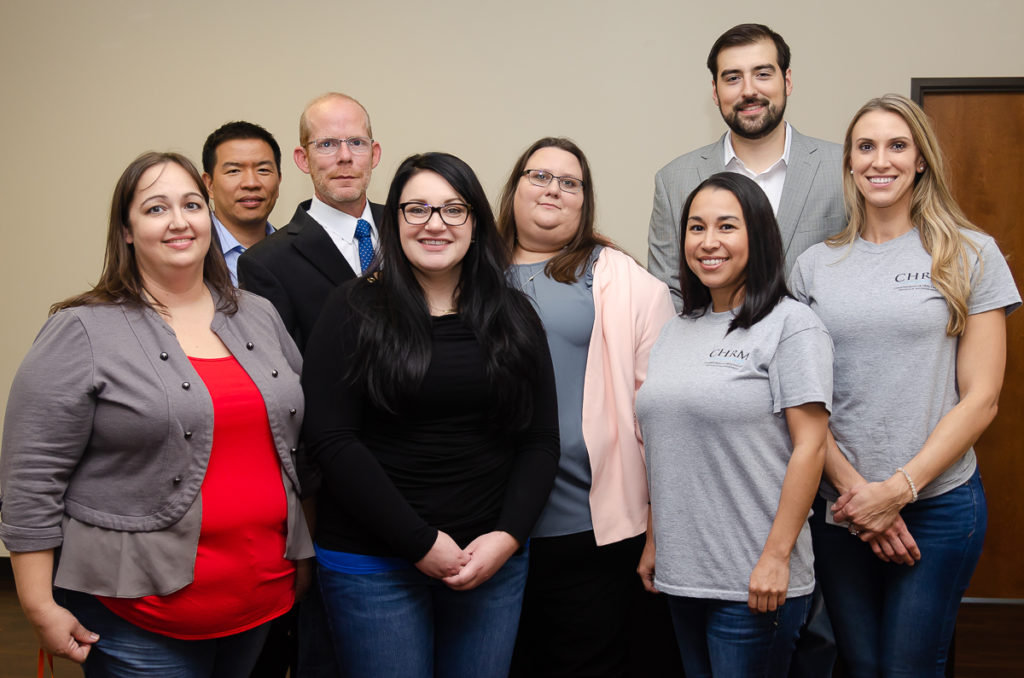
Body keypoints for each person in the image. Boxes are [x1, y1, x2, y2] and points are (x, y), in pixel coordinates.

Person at [0, 152, 313, 677]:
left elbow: (296, 445)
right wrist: (37, 604)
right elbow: (31, 478)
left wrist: (302, 552)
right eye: (155, 208)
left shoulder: (256, 312)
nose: (178, 221)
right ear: (126, 229)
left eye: (191, 204)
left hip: (259, 600)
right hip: (136, 613)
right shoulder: (82, 330)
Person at [301, 151, 560, 678]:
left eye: (453, 209)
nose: (434, 224)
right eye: (416, 209)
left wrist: (507, 538)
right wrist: (420, 543)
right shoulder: (351, 309)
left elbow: (539, 440)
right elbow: (332, 440)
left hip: (490, 561)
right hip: (372, 564)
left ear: (475, 223)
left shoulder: (515, 315)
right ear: (393, 221)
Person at [789, 94, 1021, 677]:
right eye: (865, 146)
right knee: (862, 665)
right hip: (842, 507)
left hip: (939, 505)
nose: (880, 160)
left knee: (909, 666)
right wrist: (857, 495)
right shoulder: (814, 266)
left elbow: (983, 397)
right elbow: (802, 399)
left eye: (897, 145)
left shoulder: (969, 254)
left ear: (921, 160)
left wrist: (898, 490)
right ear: (849, 161)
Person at [495, 137, 679, 678]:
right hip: (485, 520)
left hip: (586, 527)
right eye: (539, 176)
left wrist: (658, 529)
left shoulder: (622, 280)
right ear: (513, 189)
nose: (553, 188)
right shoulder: (467, 267)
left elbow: (661, 415)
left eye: (569, 182)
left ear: (584, 201)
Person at [636, 172, 833, 678]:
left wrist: (776, 558)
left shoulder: (791, 325)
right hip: (682, 573)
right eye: (696, 228)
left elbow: (810, 447)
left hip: (754, 578)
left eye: (727, 226)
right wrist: (656, 540)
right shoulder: (676, 331)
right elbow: (665, 446)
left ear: (759, 237)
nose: (708, 242)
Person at [648, 23, 844, 310]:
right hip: (713, 351)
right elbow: (669, 297)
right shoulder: (674, 181)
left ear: (787, 81)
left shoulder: (842, 168)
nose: (749, 90)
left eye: (762, 74)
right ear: (715, 92)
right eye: (733, 78)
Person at [238, 92, 383, 353]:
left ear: (374, 154)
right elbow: (280, 368)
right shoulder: (266, 263)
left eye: (356, 143)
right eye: (327, 144)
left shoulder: (410, 228)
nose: (345, 156)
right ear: (303, 159)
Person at [201, 120, 282, 285]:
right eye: (234, 171)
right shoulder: (191, 253)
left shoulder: (297, 253)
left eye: (263, 170)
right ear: (209, 185)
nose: (251, 183)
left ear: (279, 181)